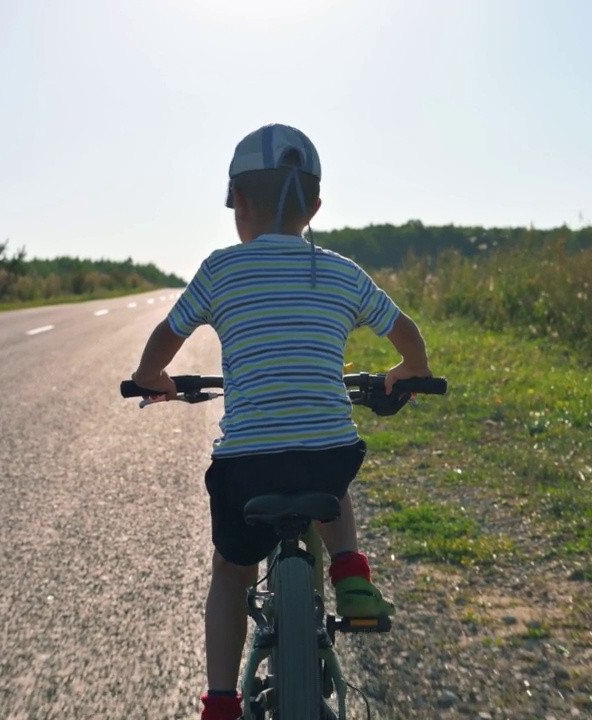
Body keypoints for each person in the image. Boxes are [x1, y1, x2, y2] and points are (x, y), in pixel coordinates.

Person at [129, 123, 432, 720]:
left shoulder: (220, 270)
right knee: (331, 469)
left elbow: (166, 339)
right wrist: (408, 370)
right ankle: (349, 572)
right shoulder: (342, 272)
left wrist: (151, 379)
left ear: (237, 202)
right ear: (316, 205)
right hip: (325, 456)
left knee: (231, 572)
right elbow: (406, 333)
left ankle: (219, 703)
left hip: (246, 465)